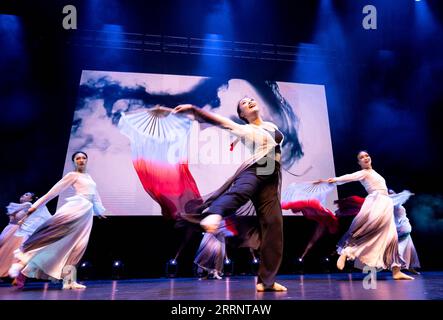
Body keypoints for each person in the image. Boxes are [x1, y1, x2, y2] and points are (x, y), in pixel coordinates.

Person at [173, 97, 287, 292]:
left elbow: (275, 147)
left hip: (271, 175)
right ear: (242, 115)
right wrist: (194, 109)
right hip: (258, 168)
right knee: (240, 191)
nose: (249, 102)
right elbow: (220, 121)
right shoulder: (244, 129)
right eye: (243, 103)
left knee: (274, 227)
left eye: (251, 99)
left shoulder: (269, 126)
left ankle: (266, 281)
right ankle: (215, 214)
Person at [9, 151, 107, 289]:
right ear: (74, 161)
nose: (81, 160)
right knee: (51, 237)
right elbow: (52, 193)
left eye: (84, 158)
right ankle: (21, 263)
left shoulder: (89, 177)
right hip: (75, 209)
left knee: (78, 247)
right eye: (78, 158)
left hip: (86, 215)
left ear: (86, 160)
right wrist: (32, 209)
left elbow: (95, 196)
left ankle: (69, 281)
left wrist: (99, 211)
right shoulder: (72, 175)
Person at [317, 150, 413, 280]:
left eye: (367, 155)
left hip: (385, 203)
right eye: (362, 157)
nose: (365, 158)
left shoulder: (374, 173)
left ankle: (396, 270)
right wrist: (334, 180)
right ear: (359, 162)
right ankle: (347, 252)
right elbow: (348, 177)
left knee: (392, 237)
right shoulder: (363, 173)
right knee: (370, 230)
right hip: (377, 202)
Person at [0, 192, 51, 278]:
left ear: (31, 199)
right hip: (10, 231)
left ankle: (12, 274)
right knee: (4, 252)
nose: (23, 195)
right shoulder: (19, 206)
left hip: (18, 232)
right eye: (23, 194)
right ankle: (5, 273)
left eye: (27, 195)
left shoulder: (28, 205)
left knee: (13, 253)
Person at [389, 189, 421, 274]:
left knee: (410, 249)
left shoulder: (397, 204)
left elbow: (400, 196)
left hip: (403, 229)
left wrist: (405, 194)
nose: (394, 195)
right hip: (400, 230)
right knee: (398, 249)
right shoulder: (391, 205)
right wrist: (405, 194)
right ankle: (396, 269)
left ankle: (410, 267)